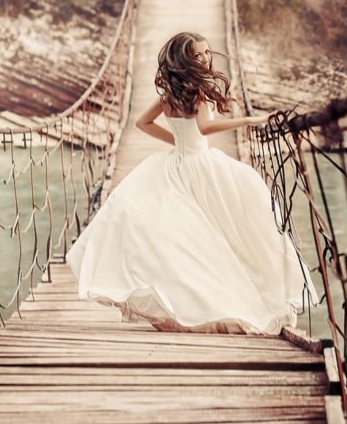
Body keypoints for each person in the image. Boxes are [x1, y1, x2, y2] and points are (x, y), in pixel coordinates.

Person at [65, 32, 319, 335]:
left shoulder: (170, 94)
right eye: (198, 55)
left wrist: (175, 140)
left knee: (191, 235)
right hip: (202, 167)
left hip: (177, 164)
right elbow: (206, 126)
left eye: (207, 53)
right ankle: (220, 300)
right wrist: (248, 121)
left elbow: (142, 123)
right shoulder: (198, 91)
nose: (205, 59)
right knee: (219, 231)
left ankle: (188, 302)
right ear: (185, 60)